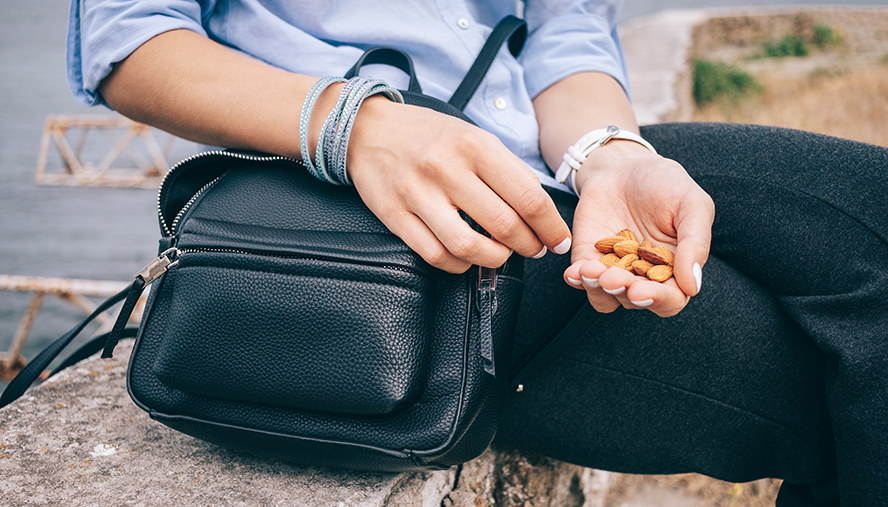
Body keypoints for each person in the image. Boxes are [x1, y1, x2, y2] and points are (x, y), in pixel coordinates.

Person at [67, 0, 888, 505]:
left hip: (536, 168)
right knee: (845, 396)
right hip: (376, 224)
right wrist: (358, 126)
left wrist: (611, 153)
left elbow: (562, 27)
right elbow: (129, 36)